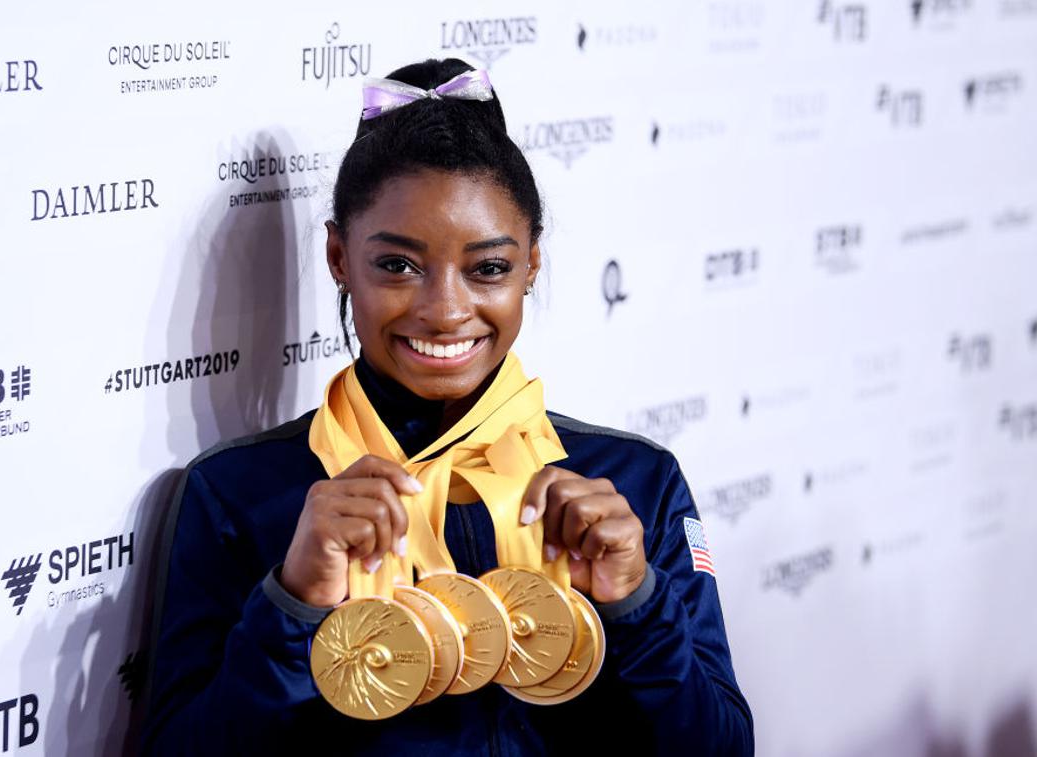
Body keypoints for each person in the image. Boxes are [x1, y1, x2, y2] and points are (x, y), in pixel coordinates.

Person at [141, 58, 753, 756]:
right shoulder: (239, 494)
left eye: (488, 267)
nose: (444, 310)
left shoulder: (632, 482)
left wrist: (635, 602)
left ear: (531, 265)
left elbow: (724, 747)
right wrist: (294, 601)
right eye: (397, 265)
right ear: (340, 257)